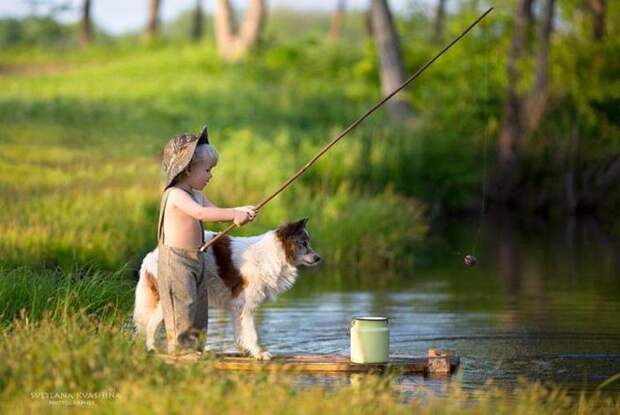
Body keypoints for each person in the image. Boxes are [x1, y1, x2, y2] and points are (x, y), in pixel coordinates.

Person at [157, 125, 256, 355]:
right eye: (208, 170)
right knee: (183, 305)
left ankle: (196, 349)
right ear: (188, 169)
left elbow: (215, 211)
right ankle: (182, 353)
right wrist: (233, 214)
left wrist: (239, 211)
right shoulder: (175, 195)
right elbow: (201, 214)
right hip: (176, 262)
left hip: (197, 257)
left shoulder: (197, 194)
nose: (211, 175)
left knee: (199, 305)